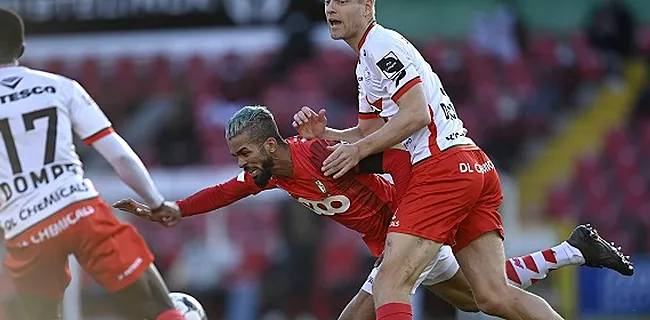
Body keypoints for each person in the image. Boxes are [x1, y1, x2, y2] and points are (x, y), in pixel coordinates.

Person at [115, 106, 634, 320]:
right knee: (487, 296)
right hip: (396, 238)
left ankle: (571, 250)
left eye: (246, 153)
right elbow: (223, 193)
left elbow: (392, 153)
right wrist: (171, 210)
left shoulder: (313, 154)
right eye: (238, 158)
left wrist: (421, 209)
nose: (242, 165)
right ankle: (572, 250)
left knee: (481, 295)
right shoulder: (267, 173)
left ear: (273, 144)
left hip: (404, 232)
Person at [292, 1, 634, 319]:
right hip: (471, 165)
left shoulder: (381, 46)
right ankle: (569, 253)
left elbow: (416, 116)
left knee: (389, 284)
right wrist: (330, 136)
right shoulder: (367, 60)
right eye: (327, 1)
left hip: (440, 170)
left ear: (368, 5)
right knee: (492, 295)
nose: (331, 8)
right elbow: (370, 132)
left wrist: (357, 151)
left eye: (342, 0)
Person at [0, 8, 185, 320]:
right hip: (79, 209)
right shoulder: (61, 87)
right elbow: (119, 154)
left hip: (26, 227)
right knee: (158, 309)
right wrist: (156, 203)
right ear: (21, 48)